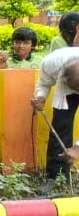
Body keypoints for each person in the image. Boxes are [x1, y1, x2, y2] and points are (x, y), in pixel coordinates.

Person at [31, 45, 79, 182]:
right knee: (60, 127)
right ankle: (56, 177)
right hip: (64, 91)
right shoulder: (51, 63)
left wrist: (77, 148)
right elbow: (43, 84)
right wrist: (41, 97)